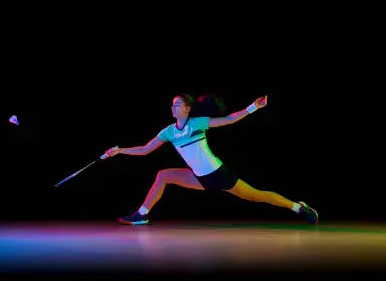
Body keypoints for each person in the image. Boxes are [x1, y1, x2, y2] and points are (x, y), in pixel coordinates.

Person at [102, 94, 318, 225]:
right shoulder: (168, 131)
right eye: (172, 104)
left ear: (187, 109)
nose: (173, 107)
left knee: (255, 196)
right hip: (199, 178)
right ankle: (142, 214)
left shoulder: (197, 123)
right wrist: (120, 150)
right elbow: (145, 149)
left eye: (177, 104)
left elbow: (228, 119)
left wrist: (253, 107)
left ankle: (298, 207)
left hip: (218, 175)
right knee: (163, 175)